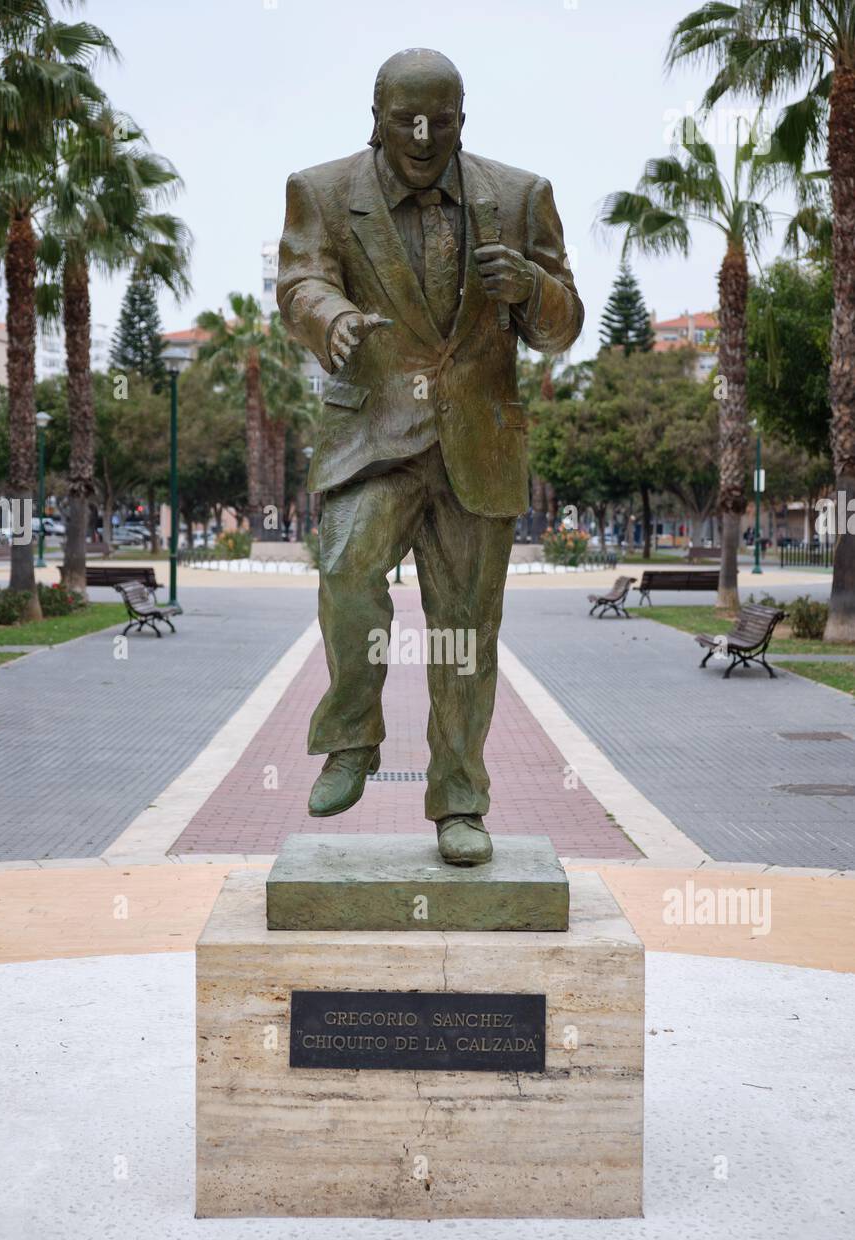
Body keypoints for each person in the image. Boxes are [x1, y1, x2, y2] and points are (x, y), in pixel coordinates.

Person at [277, 48, 583, 865]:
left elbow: (561, 327)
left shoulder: (519, 198)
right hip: (374, 437)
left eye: (440, 121)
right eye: (407, 118)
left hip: (476, 445)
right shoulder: (323, 191)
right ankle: (352, 736)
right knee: (345, 569)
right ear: (375, 114)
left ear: (461, 118)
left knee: (465, 633)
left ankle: (459, 800)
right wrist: (330, 315)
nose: (422, 135)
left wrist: (530, 288)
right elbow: (300, 283)